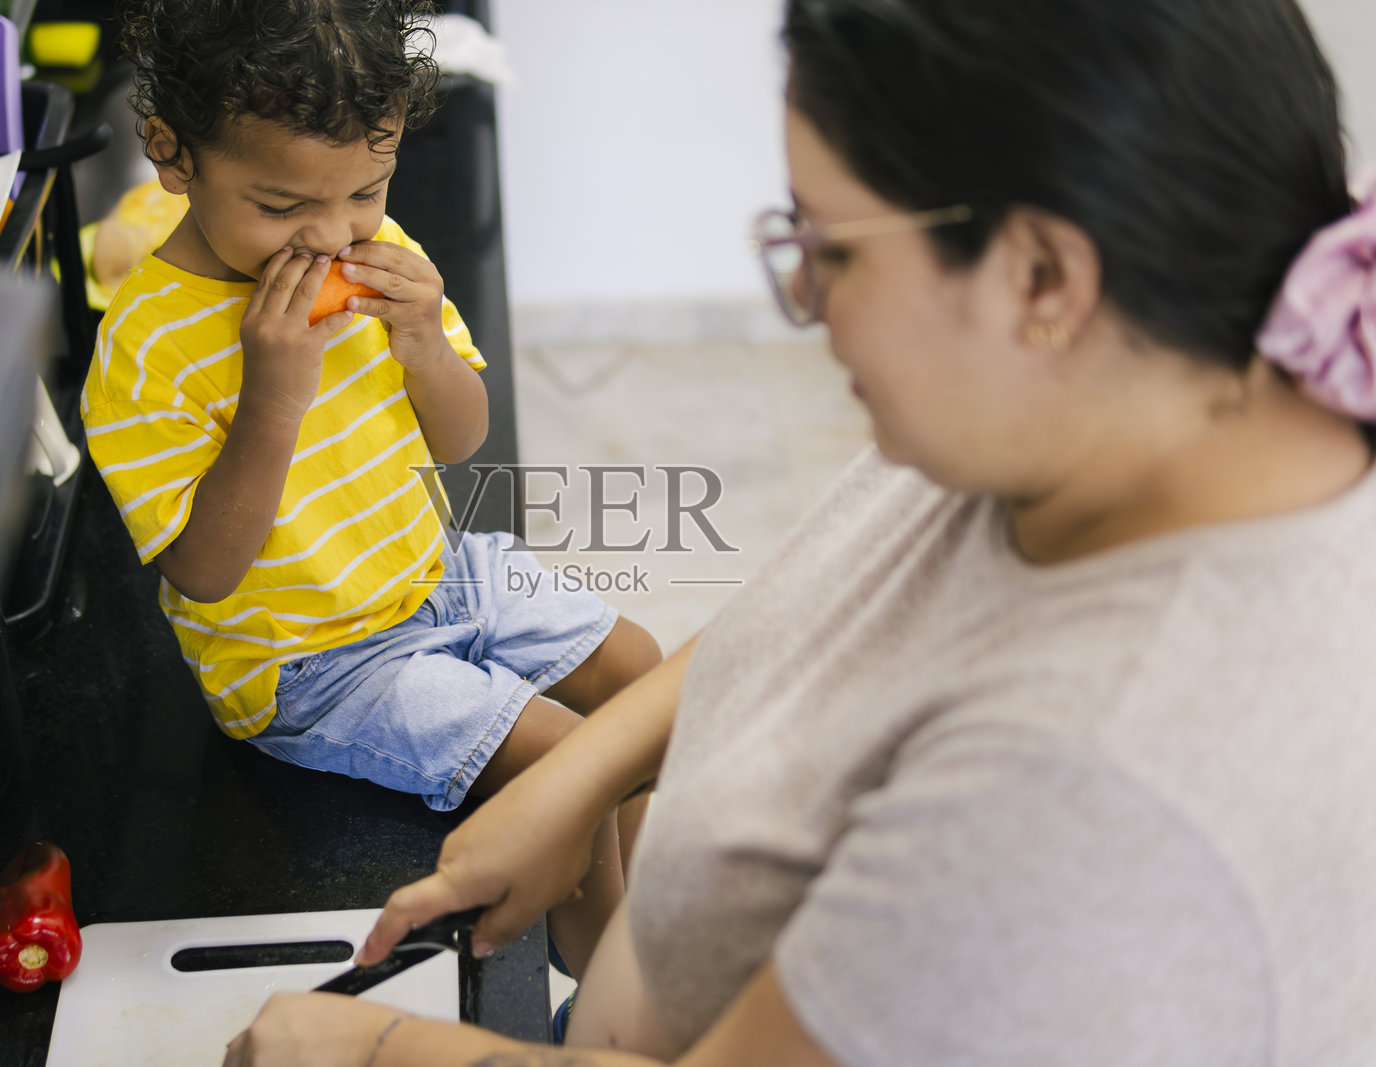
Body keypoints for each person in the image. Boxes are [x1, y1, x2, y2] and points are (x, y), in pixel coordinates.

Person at [221, 0, 1376, 1063]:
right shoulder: (1111, 380)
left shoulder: (1099, 796)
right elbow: (833, 612)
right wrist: (580, 775)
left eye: (835, 249)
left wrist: (367, 1049)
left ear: (1040, 274)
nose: (809, 300)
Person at [80, 0, 661, 983]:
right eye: (279, 206)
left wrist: (425, 337)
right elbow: (207, 573)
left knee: (640, 675)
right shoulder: (146, 349)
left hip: (434, 571)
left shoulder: (382, 247)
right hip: (309, 662)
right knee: (576, 765)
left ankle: (631, 920)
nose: (329, 234)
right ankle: (606, 983)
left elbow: (461, 436)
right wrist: (272, 396)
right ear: (172, 156)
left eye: (365, 190)